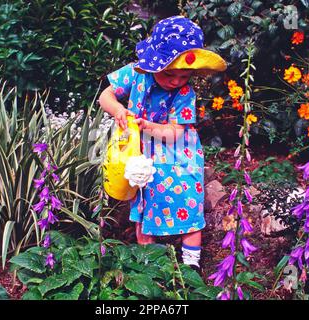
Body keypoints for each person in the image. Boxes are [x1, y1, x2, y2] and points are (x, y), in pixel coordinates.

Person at [98, 15, 227, 270]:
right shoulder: (135, 74)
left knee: (188, 202)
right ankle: (148, 263)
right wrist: (118, 111)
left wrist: (149, 126)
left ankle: (191, 265)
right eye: (170, 74)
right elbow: (106, 95)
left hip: (179, 156)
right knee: (144, 203)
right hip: (143, 153)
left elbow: (176, 132)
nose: (176, 81)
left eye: (184, 76)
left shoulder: (183, 93)